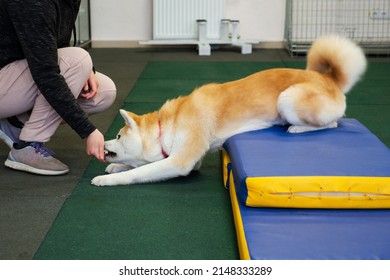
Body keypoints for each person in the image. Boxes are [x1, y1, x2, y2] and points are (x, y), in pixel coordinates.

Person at [0, 0, 116, 175]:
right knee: (77, 60)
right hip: (8, 75)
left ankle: (15, 122)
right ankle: (27, 146)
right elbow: (46, 74)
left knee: (104, 92)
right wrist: (88, 130)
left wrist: (87, 70)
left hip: (14, 74)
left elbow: (54, 44)